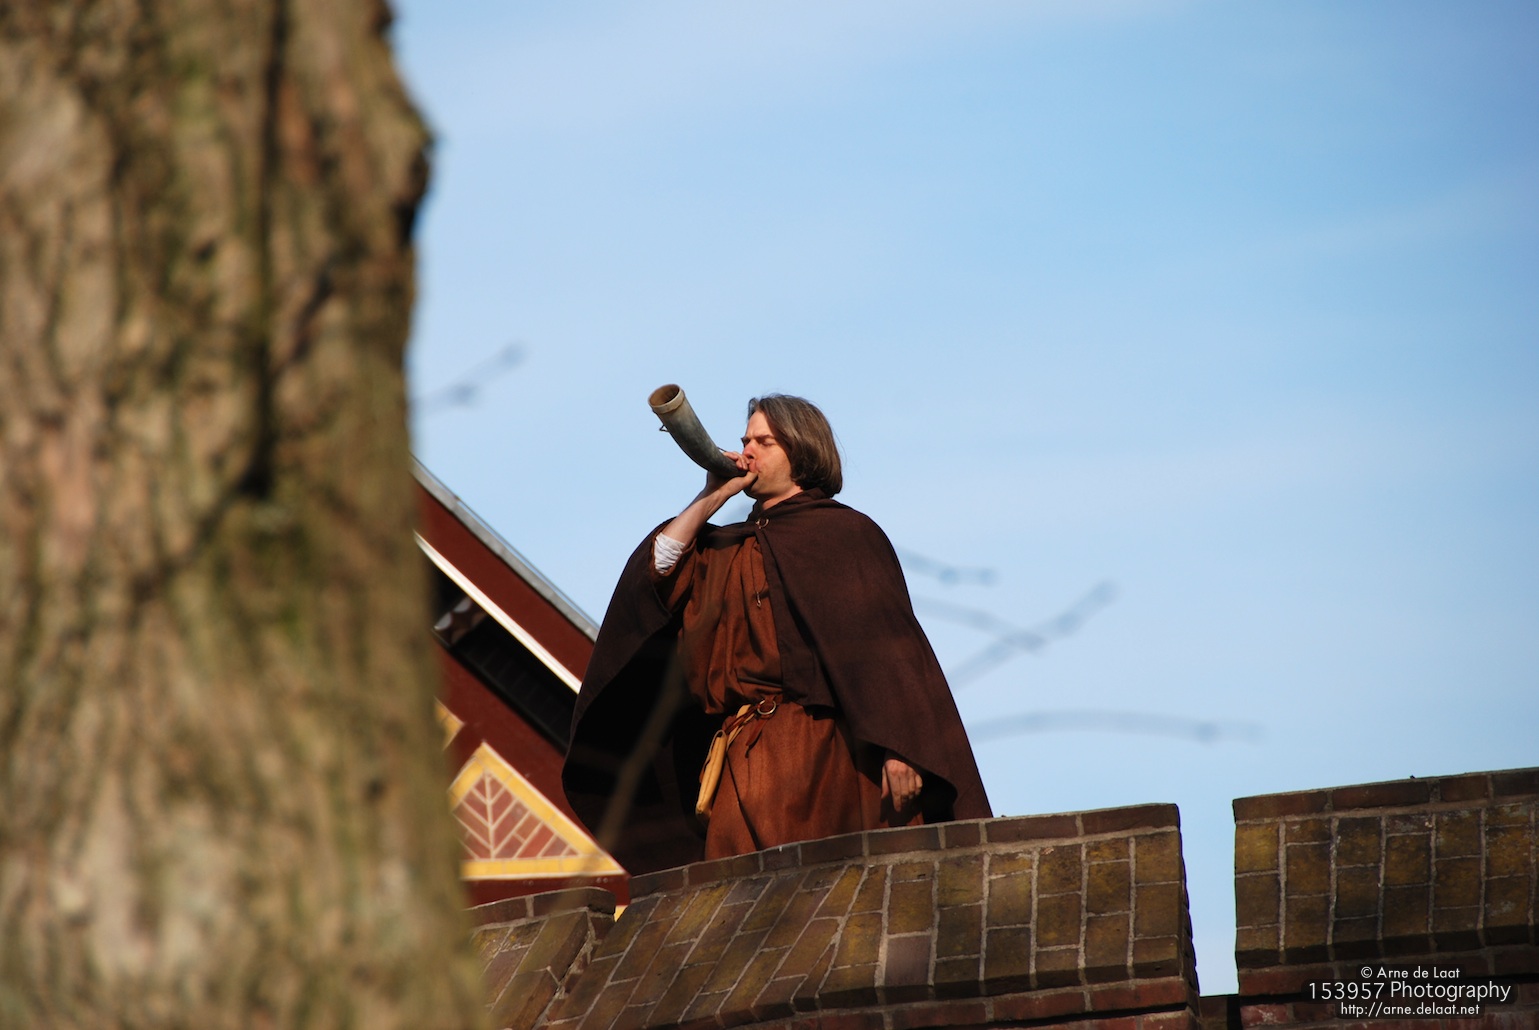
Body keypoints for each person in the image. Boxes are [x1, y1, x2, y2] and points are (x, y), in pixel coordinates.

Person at [563, 394, 990, 874]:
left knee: (827, 892)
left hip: (823, 753)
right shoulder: (724, 547)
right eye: (746, 440)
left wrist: (902, 749)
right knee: (730, 897)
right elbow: (659, 567)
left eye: (764, 442)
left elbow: (890, 653)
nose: (747, 451)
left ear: (801, 450)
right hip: (740, 750)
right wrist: (712, 496)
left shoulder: (844, 534)